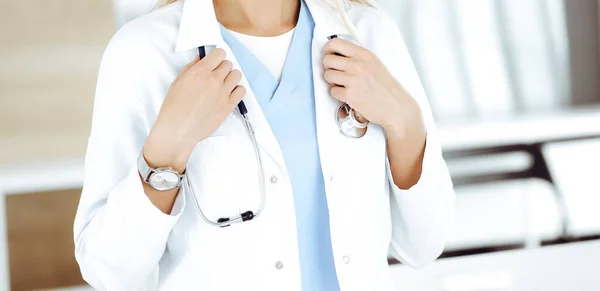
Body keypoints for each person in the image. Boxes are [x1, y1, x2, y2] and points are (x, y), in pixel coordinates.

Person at [73, 0, 455, 290]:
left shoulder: (370, 33)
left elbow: (423, 246)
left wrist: (405, 121)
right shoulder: (143, 53)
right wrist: (168, 149)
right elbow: (109, 270)